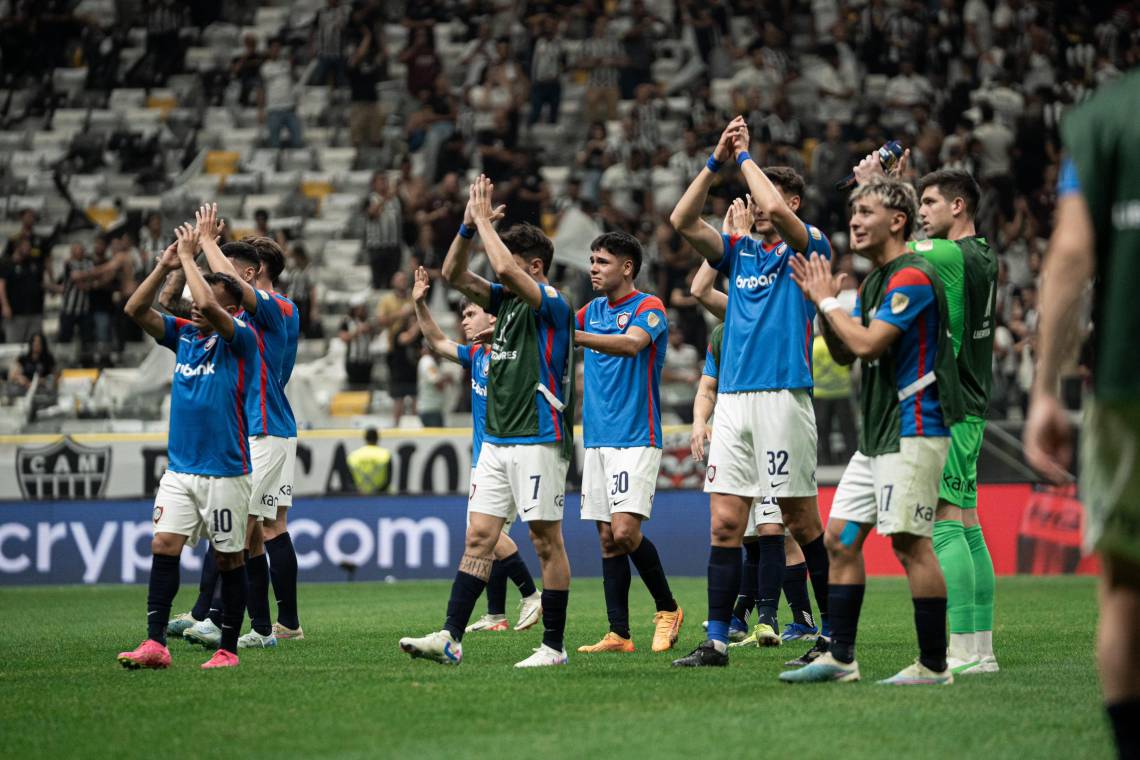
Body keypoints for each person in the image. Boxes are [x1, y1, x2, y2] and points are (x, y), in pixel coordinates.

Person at [781, 177, 962, 685]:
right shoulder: (878, 280)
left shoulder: (912, 276)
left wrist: (831, 304)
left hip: (915, 427)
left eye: (865, 211)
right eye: (852, 212)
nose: (853, 221)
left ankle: (933, 666)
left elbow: (867, 345)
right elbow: (843, 349)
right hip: (879, 432)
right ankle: (841, 659)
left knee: (909, 543)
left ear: (897, 221)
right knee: (839, 540)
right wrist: (823, 306)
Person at [668, 117, 832, 667]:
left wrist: (746, 157)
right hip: (735, 400)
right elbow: (682, 218)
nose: (758, 204)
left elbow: (780, 214)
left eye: (770, 196)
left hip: (783, 395)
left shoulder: (809, 248)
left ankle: (831, 634)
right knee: (724, 522)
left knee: (799, 519)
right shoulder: (739, 255)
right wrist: (717, 160)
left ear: (793, 200)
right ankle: (716, 640)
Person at [399, 176, 575, 668]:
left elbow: (500, 266)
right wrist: (465, 226)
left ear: (534, 267)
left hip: (538, 435)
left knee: (545, 540)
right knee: (479, 537)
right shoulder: (505, 303)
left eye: (516, 265)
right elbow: (454, 270)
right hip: (495, 441)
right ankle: (451, 636)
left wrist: (482, 222)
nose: (502, 274)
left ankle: (553, 647)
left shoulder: (551, 303)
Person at [1024, 71, 1140, 760]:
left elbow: (1070, 253)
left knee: (1127, 583)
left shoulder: (1103, 117)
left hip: (1128, 380)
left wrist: (1046, 389)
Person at [117, 224, 259, 671]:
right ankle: (155, 643)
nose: (198, 306)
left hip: (225, 470)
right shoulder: (185, 338)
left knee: (228, 556)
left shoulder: (242, 340)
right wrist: (167, 262)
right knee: (163, 544)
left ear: (231, 309)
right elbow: (135, 307)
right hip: (180, 469)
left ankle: (228, 649)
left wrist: (191, 257)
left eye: (212, 301)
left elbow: (205, 304)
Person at [173, 211, 304, 650]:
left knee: (238, 523)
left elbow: (228, 294)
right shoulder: (255, 315)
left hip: (263, 425)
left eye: (226, 271)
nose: (218, 281)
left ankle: (214, 616)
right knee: (263, 528)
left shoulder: (278, 307)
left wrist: (208, 242)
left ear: (250, 273)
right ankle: (276, 624)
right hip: (268, 425)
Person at [411, 265, 542, 633]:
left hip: (511, 454)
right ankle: (496, 614)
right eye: (462, 315)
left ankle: (531, 594)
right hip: (485, 458)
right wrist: (420, 305)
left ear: (493, 313)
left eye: (471, 313)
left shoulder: (514, 352)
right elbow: (436, 342)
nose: (464, 321)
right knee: (489, 536)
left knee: (485, 534)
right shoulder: (477, 357)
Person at [573, 231, 683, 655]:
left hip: (637, 435)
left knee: (624, 530)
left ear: (627, 267)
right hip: (598, 438)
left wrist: (577, 337)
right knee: (606, 537)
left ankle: (668, 609)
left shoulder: (648, 308)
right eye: (592, 260)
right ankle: (619, 633)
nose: (593, 268)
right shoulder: (591, 310)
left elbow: (631, 345)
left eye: (602, 261)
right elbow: (553, 326)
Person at [377, 271, 420, 425]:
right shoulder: (387, 300)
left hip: (413, 348)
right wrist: (401, 314)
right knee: (398, 393)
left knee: (415, 391)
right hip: (395, 348)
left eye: (404, 279)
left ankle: (417, 425)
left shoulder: (412, 298)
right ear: (393, 283)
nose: (402, 282)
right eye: (399, 279)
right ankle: (396, 425)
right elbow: (381, 321)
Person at [348, 427, 392, 494]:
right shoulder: (385, 454)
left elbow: (349, 480)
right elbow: (388, 479)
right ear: (377, 438)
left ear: (365, 438)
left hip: (359, 497)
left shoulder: (353, 455)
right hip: (382, 497)